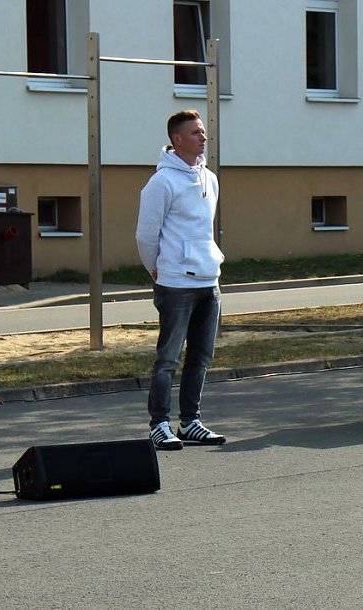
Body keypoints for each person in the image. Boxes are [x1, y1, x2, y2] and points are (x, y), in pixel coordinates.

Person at [136, 109, 227, 450]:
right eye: (195, 133)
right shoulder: (161, 183)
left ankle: (190, 421)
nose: (203, 138)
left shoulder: (210, 178)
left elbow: (204, 230)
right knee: (168, 358)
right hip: (175, 283)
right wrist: (155, 269)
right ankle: (159, 423)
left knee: (201, 356)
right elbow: (146, 235)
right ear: (177, 139)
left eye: (202, 132)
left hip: (208, 279)